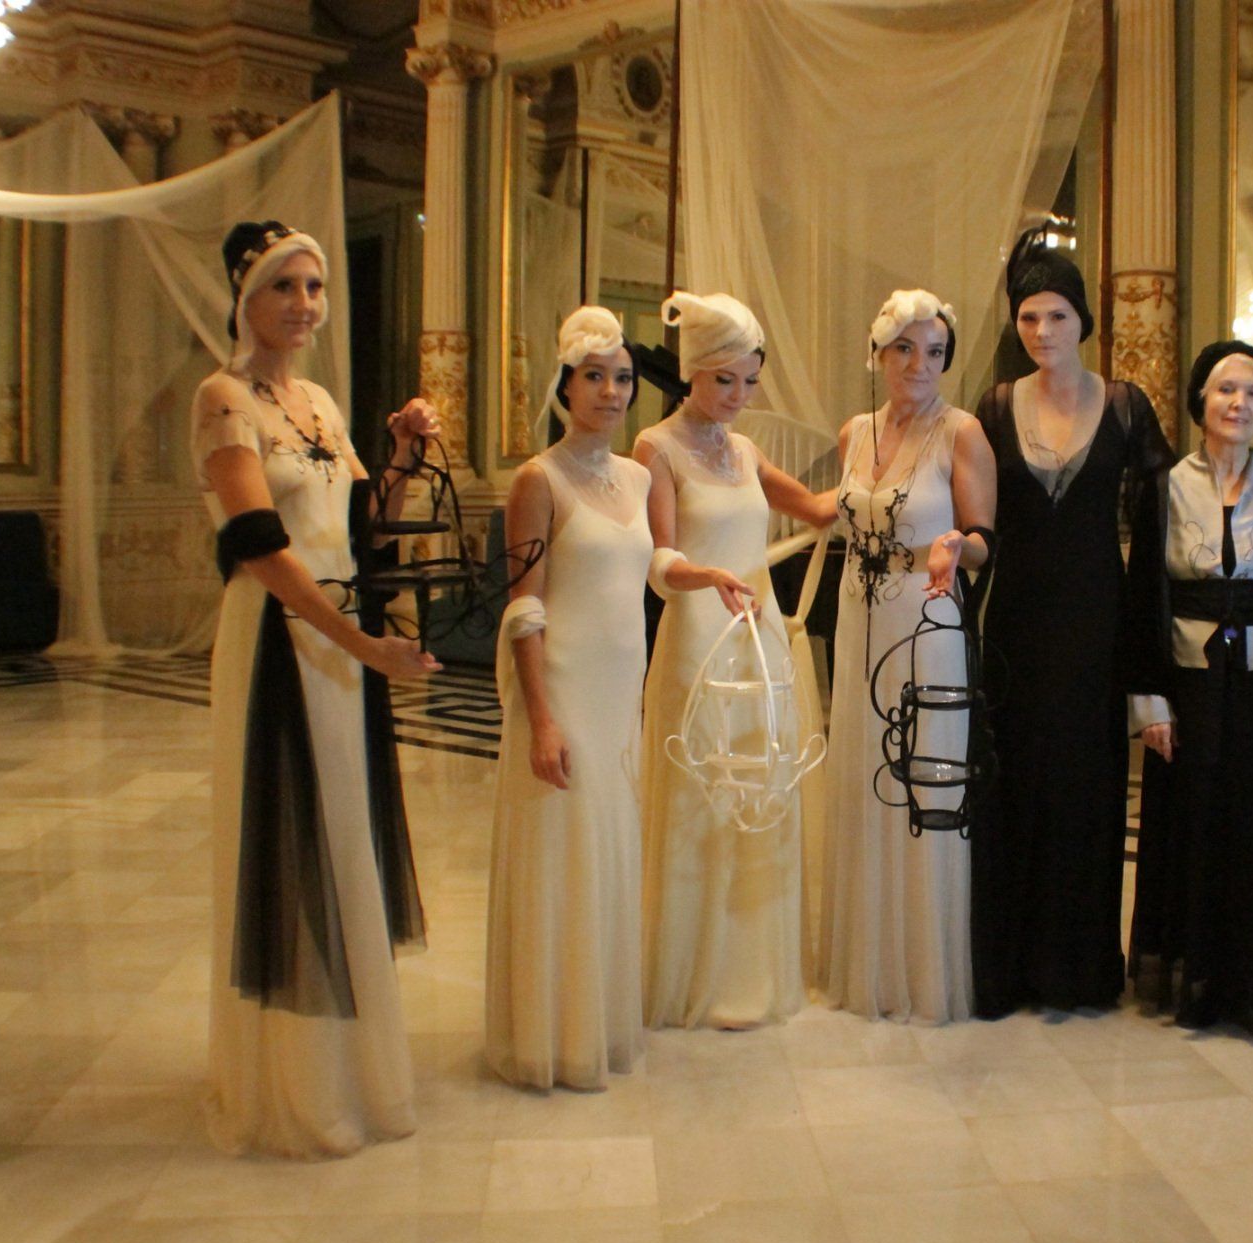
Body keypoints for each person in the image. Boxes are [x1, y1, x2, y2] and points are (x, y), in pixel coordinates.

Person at [193, 220, 439, 1157]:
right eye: (283, 285)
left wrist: (402, 453)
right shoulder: (223, 399)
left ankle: (351, 1065)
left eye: (314, 286)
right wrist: (360, 644)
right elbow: (260, 546)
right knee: (294, 829)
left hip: (337, 635)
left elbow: (364, 525)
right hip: (278, 638)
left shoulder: (321, 403)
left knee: (344, 833)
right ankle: (293, 1082)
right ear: (244, 297)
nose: (304, 304)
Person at [485, 307, 751, 1089]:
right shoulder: (538, 479)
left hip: (616, 697)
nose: (610, 391)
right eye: (594, 377)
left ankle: (596, 1025)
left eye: (623, 378)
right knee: (561, 855)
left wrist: (706, 572)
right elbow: (524, 608)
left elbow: (656, 566)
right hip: (562, 691)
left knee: (606, 856)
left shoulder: (635, 477)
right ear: (565, 386)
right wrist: (540, 718)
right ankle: (547, 1039)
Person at [970, 228, 1174, 1018]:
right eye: (1029, 317)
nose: (1042, 331)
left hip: (1097, 619)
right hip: (1016, 621)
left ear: (1083, 319)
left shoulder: (1125, 405)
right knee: (1013, 780)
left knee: (1086, 788)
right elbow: (967, 507)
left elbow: (1173, 506)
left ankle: (1077, 969)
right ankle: (1009, 967)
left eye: (1057, 315)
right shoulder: (994, 406)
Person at [635, 290, 837, 1030]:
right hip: (697, 634)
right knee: (701, 793)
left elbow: (817, 509)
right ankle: (692, 972)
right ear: (692, 371)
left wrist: (888, 460)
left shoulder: (745, 451)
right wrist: (707, 576)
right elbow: (659, 561)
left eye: (749, 381)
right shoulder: (655, 447)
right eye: (725, 380)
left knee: (759, 787)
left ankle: (753, 969)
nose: (738, 396)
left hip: (758, 637)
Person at [1125, 341, 1253, 1047]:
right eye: (1226, 390)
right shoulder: (1162, 487)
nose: (1239, 403)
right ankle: (1200, 985)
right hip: (1190, 684)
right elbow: (1142, 597)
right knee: (1197, 828)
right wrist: (1149, 702)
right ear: (1200, 401)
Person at [819, 289, 996, 1023]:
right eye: (905, 349)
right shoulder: (853, 432)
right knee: (863, 770)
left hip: (926, 617)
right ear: (879, 353)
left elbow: (984, 539)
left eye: (935, 352)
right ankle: (865, 963)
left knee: (921, 777)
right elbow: (831, 512)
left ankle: (922, 970)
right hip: (857, 615)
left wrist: (956, 545)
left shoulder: (962, 433)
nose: (920, 364)